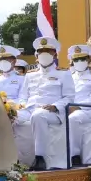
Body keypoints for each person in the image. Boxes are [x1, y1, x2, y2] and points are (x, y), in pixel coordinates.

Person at [23, 36, 75, 170]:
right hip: (30, 109)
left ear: (55, 54)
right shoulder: (29, 75)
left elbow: (69, 97)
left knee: (38, 116)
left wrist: (55, 106)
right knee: (10, 118)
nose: (44, 54)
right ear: (36, 55)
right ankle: (16, 161)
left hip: (53, 113)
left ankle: (40, 158)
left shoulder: (64, 74)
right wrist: (18, 108)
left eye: (48, 51)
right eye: (41, 52)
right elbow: (22, 97)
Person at [67, 44, 91, 166]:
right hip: (69, 109)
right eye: (76, 60)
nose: (79, 62)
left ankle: (75, 155)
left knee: (73, 118)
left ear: (88, 59)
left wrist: (77, 107)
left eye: (82, 59)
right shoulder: (69, 78)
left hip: (88, 112)